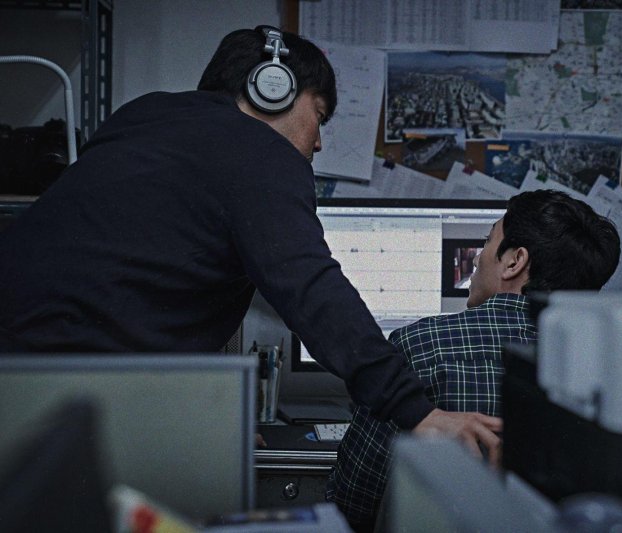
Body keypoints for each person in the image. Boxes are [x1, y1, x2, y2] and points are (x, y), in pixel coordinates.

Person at [0, 27, 500, 452]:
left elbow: (144, 287)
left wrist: (204, 416)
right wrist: (417, 412)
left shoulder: (143, 115)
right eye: (319, 115)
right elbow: (311, 288)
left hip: (24, 375)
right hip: (63, 392)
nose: (319, 141)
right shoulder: (261, 152)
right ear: (272, 89)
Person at [327, 189, 622, 531]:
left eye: (487, 242)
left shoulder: (421, 346)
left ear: (514, 261)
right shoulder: (611, 368)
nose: (479, 258)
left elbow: (353, 504)